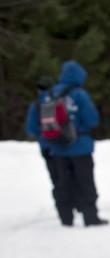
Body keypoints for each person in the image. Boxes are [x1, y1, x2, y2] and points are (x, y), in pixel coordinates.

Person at [46, 61, 105, 227]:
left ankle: (66, 218)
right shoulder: (79, 94)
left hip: (57, 147)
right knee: (85, 182)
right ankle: (90, 217)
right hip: (80, 146)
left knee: (62, 183)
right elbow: (92, 119)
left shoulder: (50, 93)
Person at [24, 75, 58, 208]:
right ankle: (76, 202)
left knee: (55, 178)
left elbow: (31, 129)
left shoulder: (36, 105)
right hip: (62, 145)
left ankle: (62, 206)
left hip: (46, 147)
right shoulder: (58, 100)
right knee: (69, 175)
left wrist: (42, 133)